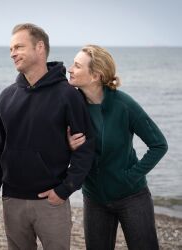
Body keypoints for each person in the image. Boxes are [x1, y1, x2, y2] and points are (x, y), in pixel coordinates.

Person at [0, 23, 95, 250]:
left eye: (19, 47)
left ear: (40, 47)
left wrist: (65, 189)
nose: (13, 53)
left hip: (51, 202)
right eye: (11, 49)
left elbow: (86, 147)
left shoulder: (68, 95)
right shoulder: (7, 96)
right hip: (12, 200)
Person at [67, 44, 168, 250]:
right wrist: (67, 146)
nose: (70, 69)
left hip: (132, 197)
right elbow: (57, 147)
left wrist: (129, 177)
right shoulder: (73, 106)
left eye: (77, 66)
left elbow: (159, 145)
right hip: (94, 199)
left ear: (96, 75)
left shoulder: (124, 105)